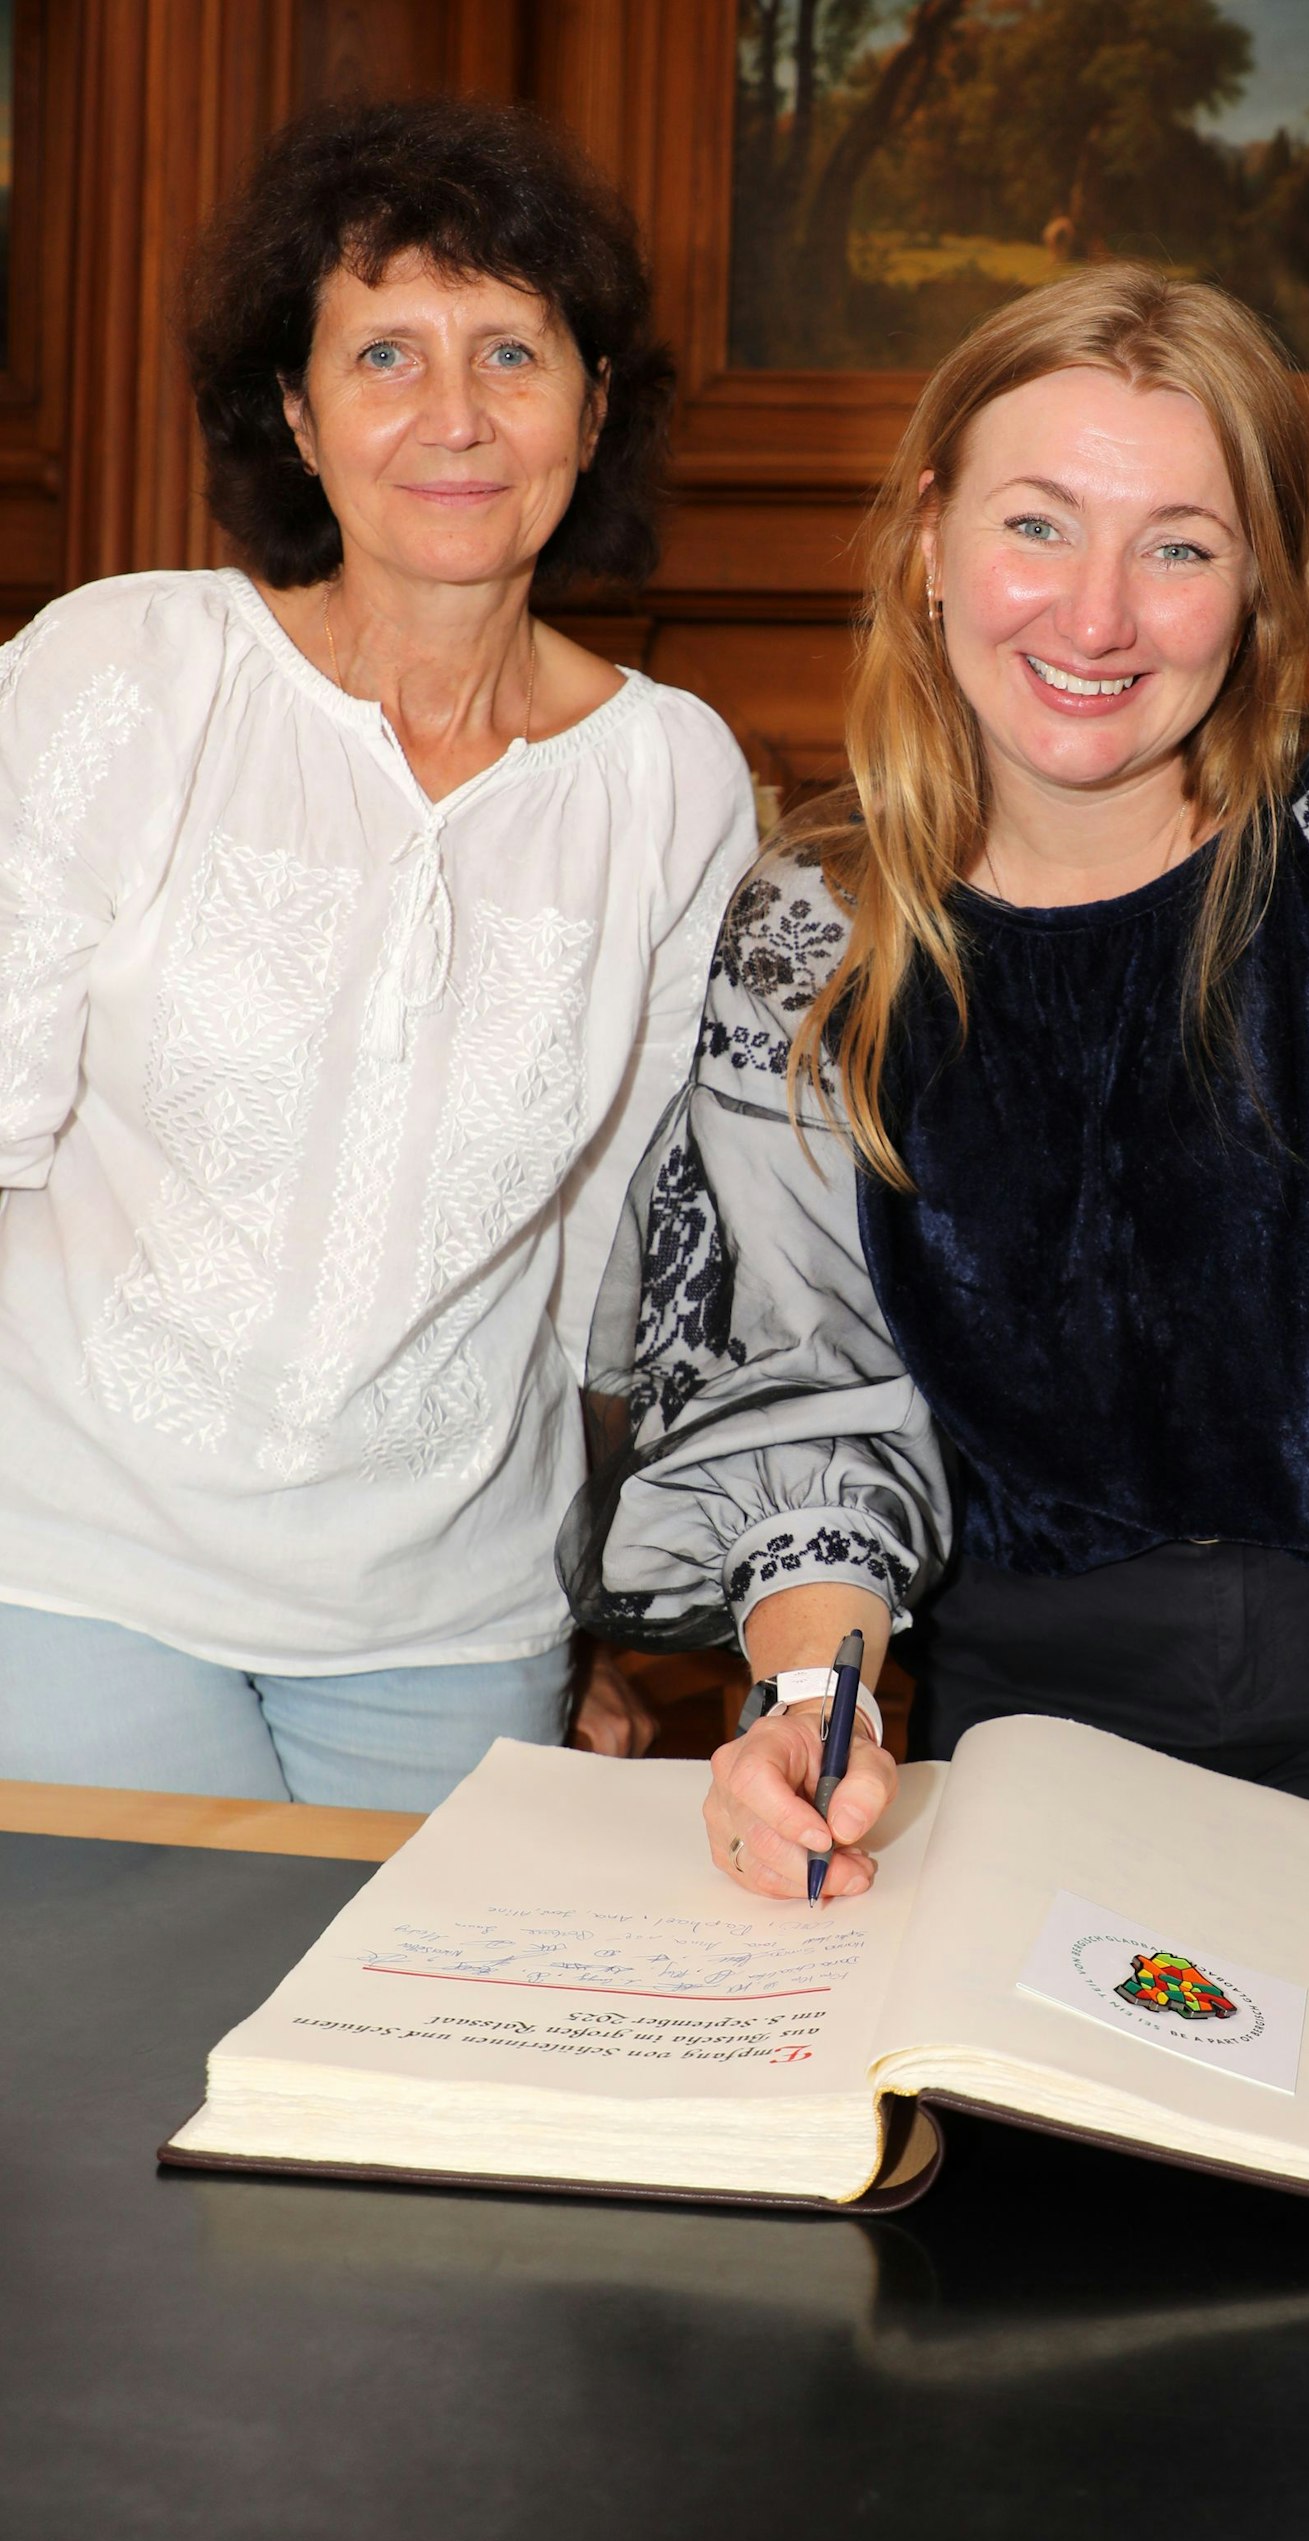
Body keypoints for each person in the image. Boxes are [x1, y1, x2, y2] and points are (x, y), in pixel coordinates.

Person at [562, 264, 1309, 1902]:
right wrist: (809, 1716)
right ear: (930, 539)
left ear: (1259, 586)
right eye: (1037, 525)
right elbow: (809, 1393)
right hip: (1023, 1715)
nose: (1098, 616)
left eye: (1178, 546)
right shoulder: (814, 924)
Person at [0, 98, 755, 1807]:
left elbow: (611, 1268)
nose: (456, 417)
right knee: (132, 2072)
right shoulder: (122, 674)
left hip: (450, 1619)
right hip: (67, 1567)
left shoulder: (673, 777)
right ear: (297, 407)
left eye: (512, 351)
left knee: (417, 2078)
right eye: (387, 355)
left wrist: (595, 1620)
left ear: (594, 405)